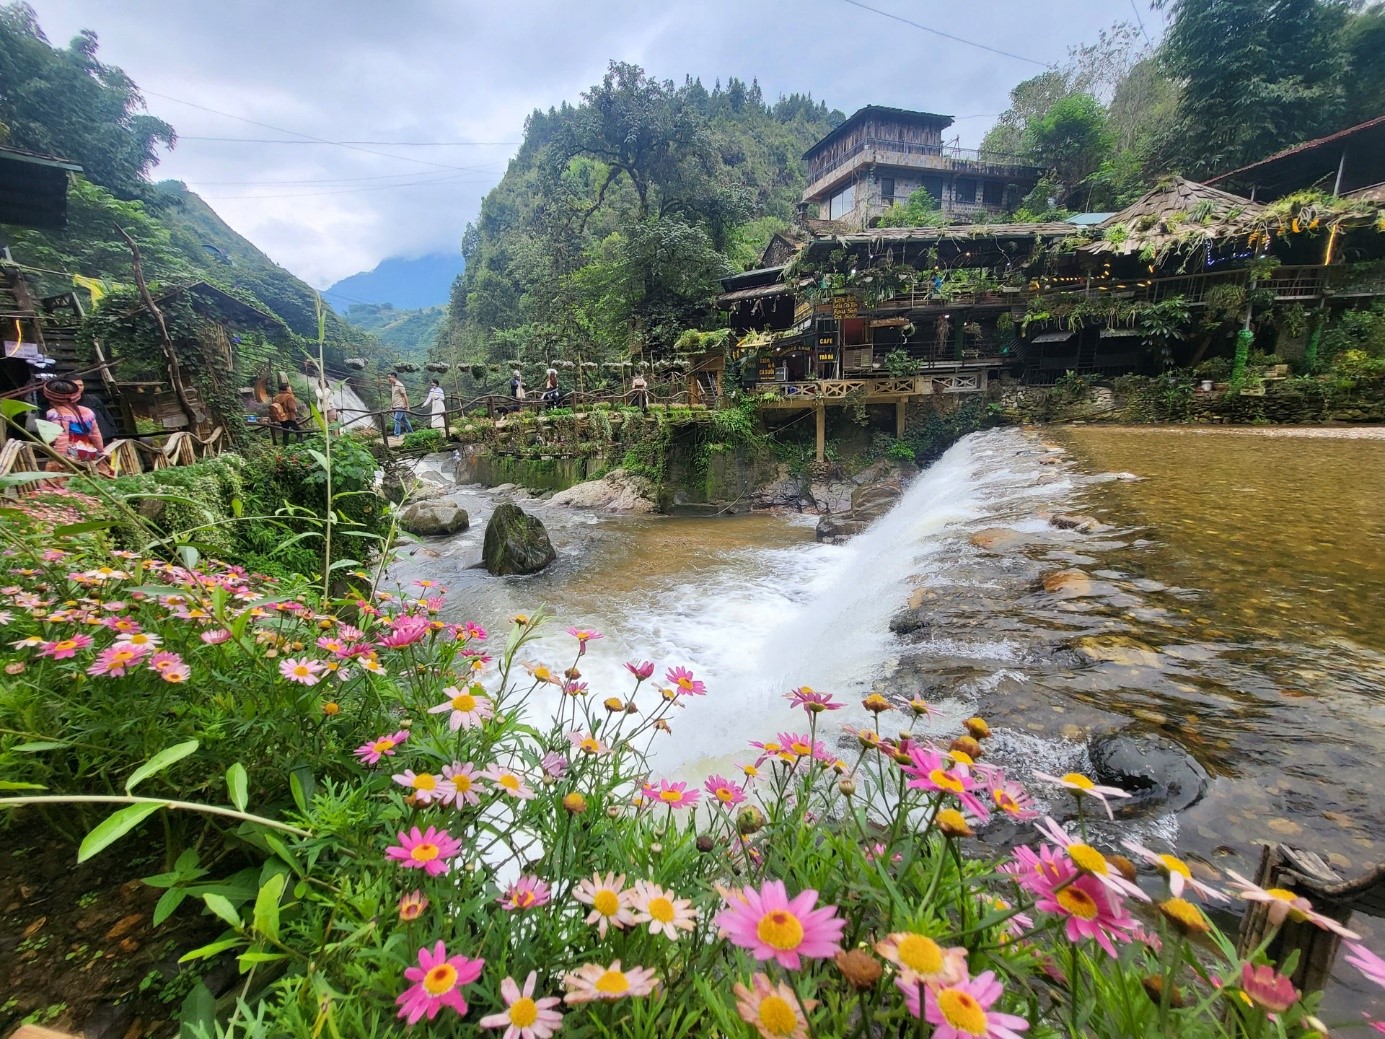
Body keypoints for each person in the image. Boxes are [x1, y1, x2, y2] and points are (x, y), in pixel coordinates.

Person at [41, 378, 104, 467]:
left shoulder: (54, 413)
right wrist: (101, 451)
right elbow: (95, 434)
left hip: (70, 453)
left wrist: (60, 458)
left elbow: (61, 436)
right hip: (88, 450)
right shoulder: (88, 411)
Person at [387, 372, 413, 436]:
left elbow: (405, 396)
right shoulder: (393, 385)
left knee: (396, 419)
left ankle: (396, 435)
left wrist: (407, 406)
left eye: (389, 377)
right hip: (395, 406)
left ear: (393, 377)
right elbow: (393, 397)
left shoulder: (400, 385)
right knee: (404, 420)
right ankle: (411, 432)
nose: (388, 379)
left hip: (400, 405)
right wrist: (391, 406)